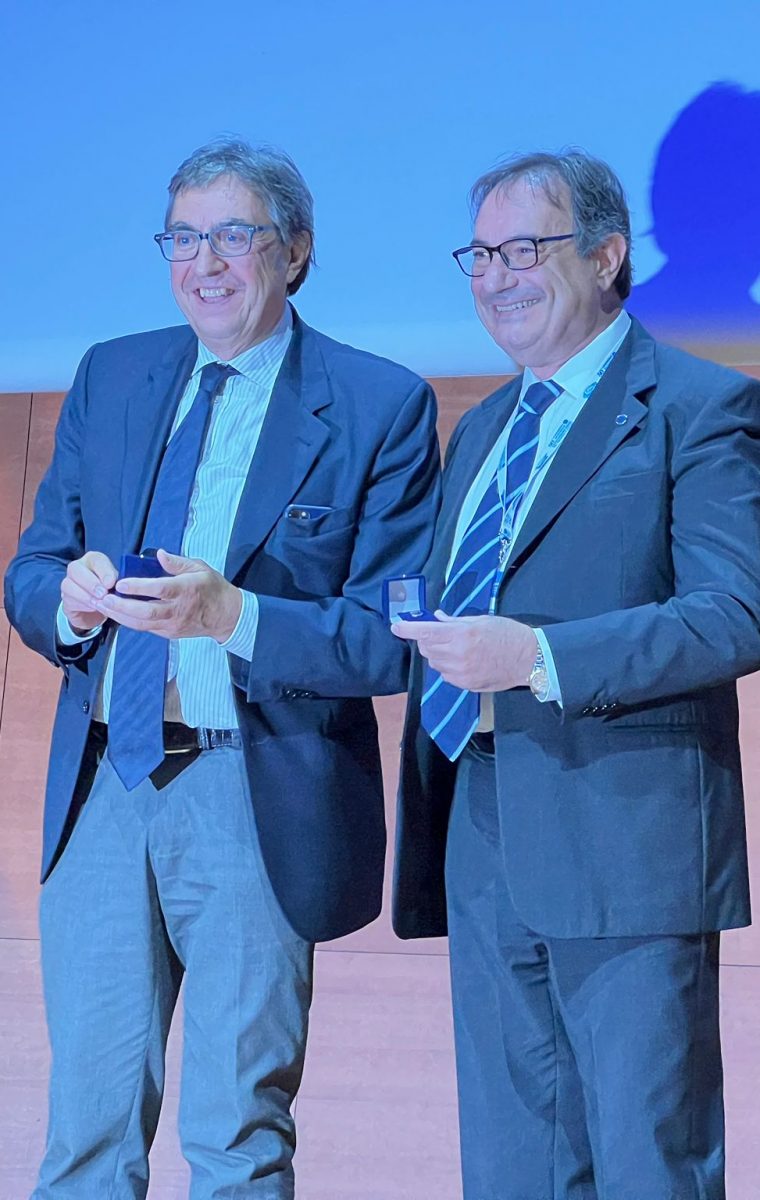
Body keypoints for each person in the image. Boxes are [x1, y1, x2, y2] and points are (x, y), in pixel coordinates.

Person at [4, 136, 440, 1199]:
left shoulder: (377, 403)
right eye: (182, 239)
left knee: (237, 1135)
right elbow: (33, 568)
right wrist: (66, 603)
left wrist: (232, 614)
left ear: (294, 251)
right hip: (103, 786)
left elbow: (390, 637)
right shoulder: (113, 373)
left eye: (233, 236)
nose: (204, 264)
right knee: (85, 1136)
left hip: (254, 789)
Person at [391, 150, 760, 1200]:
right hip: (481, 823)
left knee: (647, 1162)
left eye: (524, 249)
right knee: (511, 1166)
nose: (496, 277)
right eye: (479, 255)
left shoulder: (698, 405)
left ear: (605, 256)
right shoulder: (480, 430)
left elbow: (736, 611)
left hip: (626, 839)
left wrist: (540, 657)